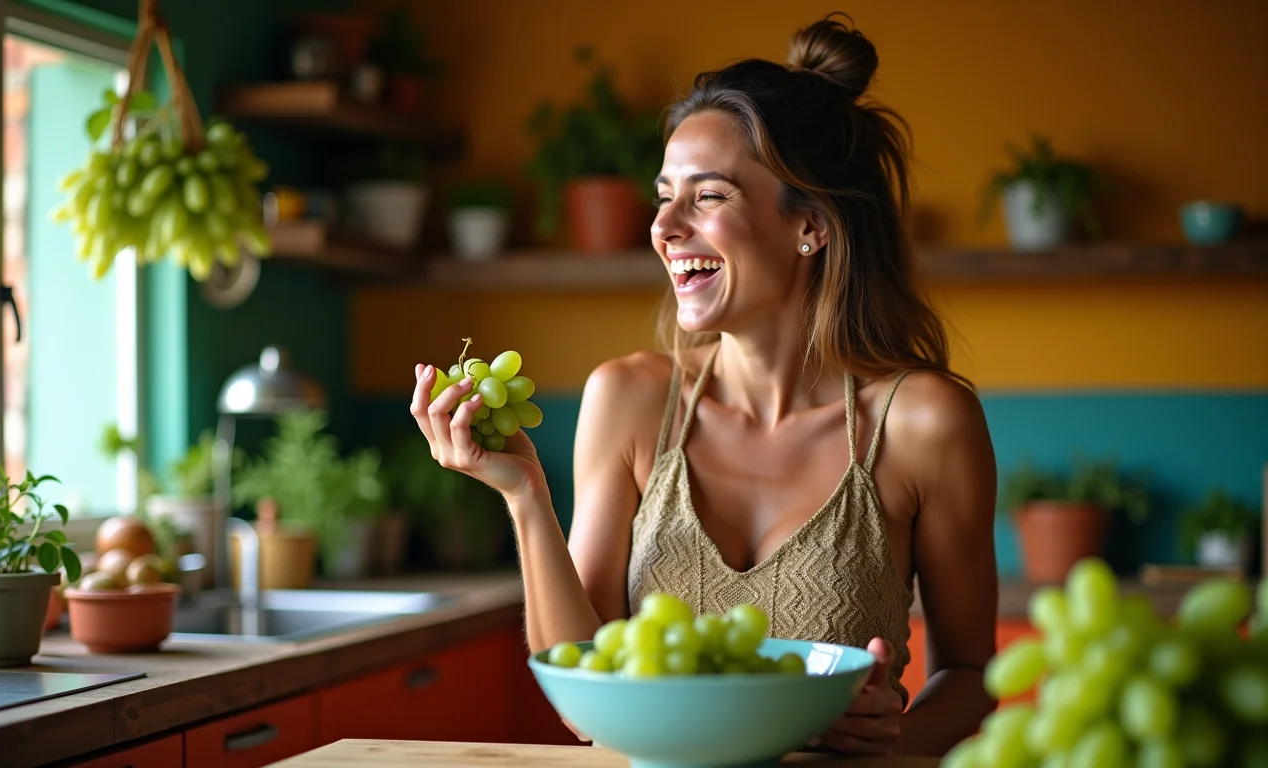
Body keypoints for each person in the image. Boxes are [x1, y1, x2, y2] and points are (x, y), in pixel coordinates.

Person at [410, 12, 998, 757]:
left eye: (709, 196)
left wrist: (894, 735)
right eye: (664, 195)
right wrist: (525, 497)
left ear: (810, 226)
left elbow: (971, 677)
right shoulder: (628, 400)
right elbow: (587, 707)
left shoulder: (923, 421)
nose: (665, 226)